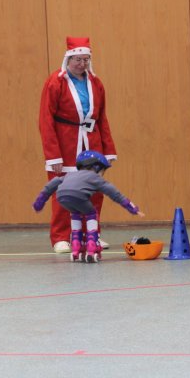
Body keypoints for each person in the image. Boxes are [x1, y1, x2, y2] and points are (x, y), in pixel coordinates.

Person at [39, 37, 117, 253]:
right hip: (66, 143)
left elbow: (102, 118)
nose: (82, 64)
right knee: (63, 190)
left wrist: (108, 150)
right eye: (78, 60)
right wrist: (53, 156)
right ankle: (61, 237)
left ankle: (92, 234)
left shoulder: (96, 83)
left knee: (94, 190)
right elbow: (45, 120)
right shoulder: (55, 83)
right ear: (68, 59)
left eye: (86, 60)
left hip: (91, 142)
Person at [32, 150, 143, 263]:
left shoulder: (69, 175)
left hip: (61, 196)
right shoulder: (94, 177)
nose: (102, 174)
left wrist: (39, 202)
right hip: (78, 196)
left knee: (75, 214)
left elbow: (52, 184)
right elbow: (115, 193)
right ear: (96, 167)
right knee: (91, 213)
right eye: (102, 171)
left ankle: (76, 245)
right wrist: (132, 208)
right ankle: (92, 244)